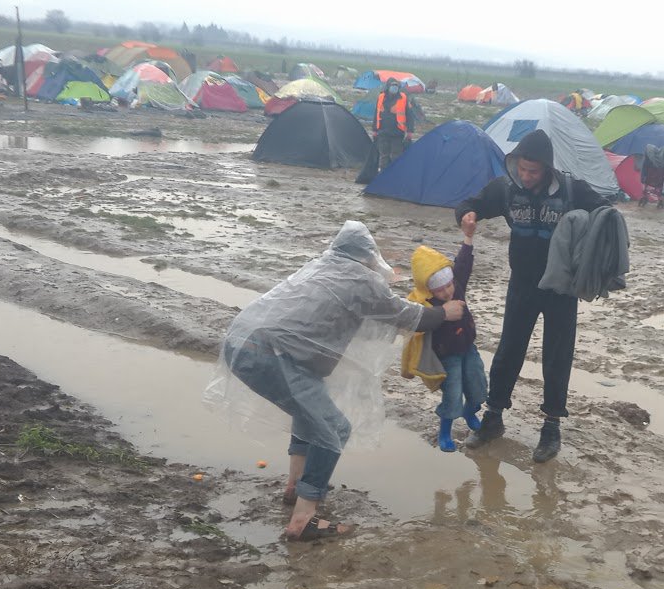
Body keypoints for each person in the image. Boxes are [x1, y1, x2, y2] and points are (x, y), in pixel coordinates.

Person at [206, 221, 465, 541]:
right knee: (333, 428)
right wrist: (446, 313)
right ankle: (303, 520)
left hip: (241, 340)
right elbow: (409, 317)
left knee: (309, 414)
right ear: (368, 256)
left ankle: (295, 486)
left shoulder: (320, 265)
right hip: (271, 355)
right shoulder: (363, 282)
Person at [455, 129, 604, 463]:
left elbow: (605, 213)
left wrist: (590, 249)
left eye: (533, 171)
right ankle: (494, 418)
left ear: (547, 168)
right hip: (522, 284)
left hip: (562, 289)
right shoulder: (506, 189)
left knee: (557, 356)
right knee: (508, 350)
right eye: (522, 169)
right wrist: (467, 214)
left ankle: (551, 427)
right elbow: (472, 203)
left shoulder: (570, 190)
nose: (525, 176)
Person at [402, 227, 487, 452]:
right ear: (429, 290)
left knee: (478, 385)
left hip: (468, 348)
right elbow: (413, 322)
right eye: (440, 290)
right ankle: (445, 432)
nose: (448, 292)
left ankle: (471, 411)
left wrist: (468, 238)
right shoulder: (425, 305)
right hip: (447, 357)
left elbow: (463, 264)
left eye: (449, 285)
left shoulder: (456, 284)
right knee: (452, 394)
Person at [374, 77, 415, 169]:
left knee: (396, 156)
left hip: (397, 132)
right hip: (383, 132)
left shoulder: (404, 98)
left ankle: (395, 176)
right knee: (384, 156)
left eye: (396, 86)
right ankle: (383, 175)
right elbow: (376, 114)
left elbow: (410, 116)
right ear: (388, 86)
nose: (394, 87)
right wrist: (375, 129)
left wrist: (410, 131)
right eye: (393, 85)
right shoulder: (381, 97)